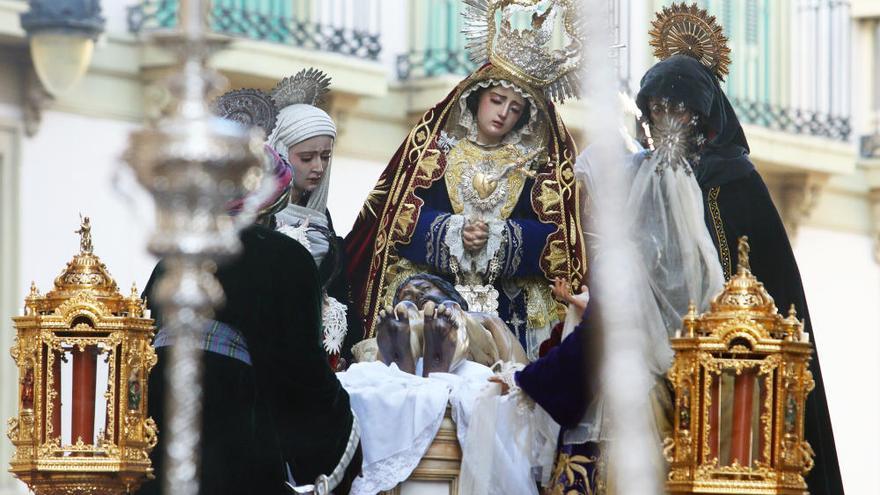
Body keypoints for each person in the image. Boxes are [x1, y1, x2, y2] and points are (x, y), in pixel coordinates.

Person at [633, 5, 843, 493]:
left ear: (703, 116)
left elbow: (758, 278)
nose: (666, 122)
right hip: (656, 355)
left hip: (732, 372)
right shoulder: (645, 177)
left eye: (677, 108)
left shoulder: (735, 180)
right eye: (657, 110)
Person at [345, 0, 588, 361]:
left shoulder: (536, 169)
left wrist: (501, 238)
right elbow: (398, 223)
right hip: (439, 296)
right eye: (497, 100)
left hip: (509, 304)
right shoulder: (436, 155)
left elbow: (555, 239)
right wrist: (452, 232)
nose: (503, 113)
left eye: (515, 108)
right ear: (478, 98)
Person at [139, 147, 362, 495]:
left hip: (157, 454)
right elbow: (302, 377)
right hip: (236, 457)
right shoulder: (285, 258)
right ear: (270, 201)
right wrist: (345, 427)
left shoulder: (172, 259)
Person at [265, 69, 363, 369]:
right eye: (306, 158)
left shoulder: (324, 219)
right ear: (280, 151)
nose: (318, 167)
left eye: (325, 157)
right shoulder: (261, 217)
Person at [371, 272, 528, 375]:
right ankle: (407, 359)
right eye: (408, 295)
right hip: (411, 330)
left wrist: (515, 376)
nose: (418, 294)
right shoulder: (400, 322)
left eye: (425, 288)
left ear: (447, 291)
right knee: (405, 311)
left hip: (467, 335)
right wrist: (406, 310)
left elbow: (514, 359)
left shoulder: (483, 318)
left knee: (449, 310)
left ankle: (438, 357)